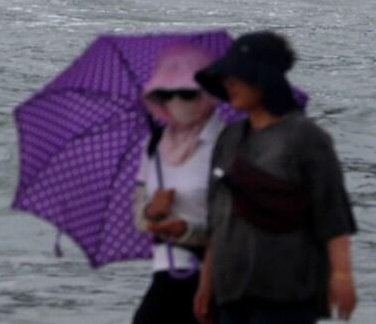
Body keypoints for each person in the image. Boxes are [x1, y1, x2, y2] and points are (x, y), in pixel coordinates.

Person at [192, 32, 358, 324]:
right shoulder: (229, 138)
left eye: (237, 75)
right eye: (226, 77)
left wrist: (342, 275)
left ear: (263, 77)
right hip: (231, 291)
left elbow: (332, 214)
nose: (229, 83)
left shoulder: (306, 138)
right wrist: (206, 284)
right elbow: (217, 220)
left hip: (287, 294)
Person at [133, 45, 224, 324]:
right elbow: (139, 217)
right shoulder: (155, 144)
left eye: (186, 93)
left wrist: (185, 230)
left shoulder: (226, 142)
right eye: (166, 94)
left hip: (214, 277)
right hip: (166, 272)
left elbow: (235, 224)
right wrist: (152, 212)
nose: (176, 102)